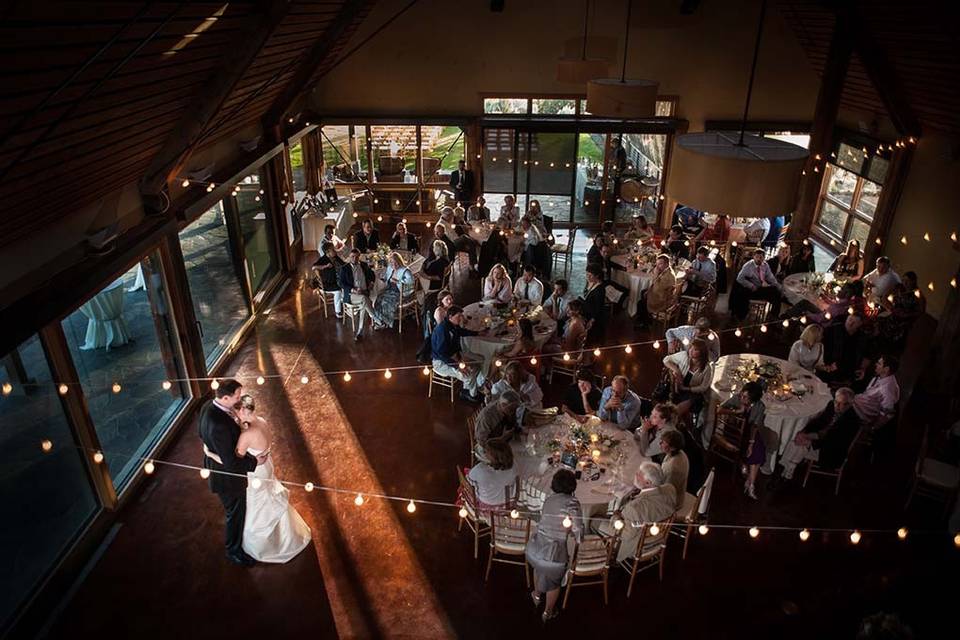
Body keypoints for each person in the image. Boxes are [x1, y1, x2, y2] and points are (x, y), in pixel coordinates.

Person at [235, 394, 311, 563]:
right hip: (267, 465)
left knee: (258, 503)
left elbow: (237, 458)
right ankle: (285, 535)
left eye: (237, 411)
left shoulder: (247, 435)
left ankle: (265, 545)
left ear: (243, 411)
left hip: (256, 472)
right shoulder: (262, 421)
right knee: (269, 496)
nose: (236, 415)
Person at [198, 379, 261, 566]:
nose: (239, 398)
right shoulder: (219, 426)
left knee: (234, 510)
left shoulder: (208, 405)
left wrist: (210, 450)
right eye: (237, 396)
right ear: (225, 397)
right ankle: (233, 551)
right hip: (227, 479)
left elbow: (201, 434)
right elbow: (232, 464)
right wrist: (255, 461)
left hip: (217, 464)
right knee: (235, 513)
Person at [526, 469, 583, 623]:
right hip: (554, 556)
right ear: (573, 486)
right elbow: (578, 530)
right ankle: (548, 612)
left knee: (538, 569)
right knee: (554, 584)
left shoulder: (549, 499)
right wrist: (577, 538)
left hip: (535, 549)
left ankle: (536, 596)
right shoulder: (573, 502)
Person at [596, 462, 676, 563]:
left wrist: (616, 517)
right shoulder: (670, 489)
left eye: (639, 474)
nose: (636, 474)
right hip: (658, 537)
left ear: (648, 483)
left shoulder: (634, 508)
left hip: (635, 545)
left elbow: (625, 535)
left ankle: (602, 557)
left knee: (594, 521)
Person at [778, 387, 859, 480]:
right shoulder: (831, 406)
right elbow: (819, 422)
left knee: (799, 445)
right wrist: (805, 432)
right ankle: (787, 469)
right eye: (836, 402)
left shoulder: (852, 421)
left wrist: (810, 442)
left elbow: (835, 442)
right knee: (797, 440)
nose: (837, 406)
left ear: (850, 404)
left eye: (842, 404)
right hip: (821, 439)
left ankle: (786, 471)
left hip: (830, 451)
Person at [717, 382, 766, 500]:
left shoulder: (760, 406)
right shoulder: (737, 399)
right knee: (756, 451)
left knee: (757, 449)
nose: (742, 398)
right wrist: (736, 412)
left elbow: (754, 425)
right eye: (742, 395)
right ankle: (749, 481)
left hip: (748, 433)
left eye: (746, 397)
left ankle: (750, 483)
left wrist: (751, 443)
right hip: (734, 431)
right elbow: (719, 410)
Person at [431, 305, 487, 403]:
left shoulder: (453, 325)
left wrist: (477, 333)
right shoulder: (442, 330)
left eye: (461, 316)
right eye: (458, 316)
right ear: (450, 317)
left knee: (479, 360)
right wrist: (458, 366)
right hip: (441, 362)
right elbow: (441, 354)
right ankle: (472, 395)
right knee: (468, 375)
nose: (461, 318)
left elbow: (461, 331)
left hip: (455, 356)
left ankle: (468, 389)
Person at [662, 340, 713, 420]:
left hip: (693, 393)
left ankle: (671, 418)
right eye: (690, 348)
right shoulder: (684, 356)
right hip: (677, 390)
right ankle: (672, 418)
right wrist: (677, 370)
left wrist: (687, 389)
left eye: (695, 349)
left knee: (692, 400)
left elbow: (703, 387)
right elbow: (666, 360)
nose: (691, 351)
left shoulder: (707, 368)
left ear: (702, 353)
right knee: (677, 401)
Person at [879, 271, 925, 348]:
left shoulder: (917, 293)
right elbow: (884, 297)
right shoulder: (898, 287)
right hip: (893, 316)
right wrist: (891, 308)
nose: (905, 283)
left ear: (913, 281)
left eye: (908, 281)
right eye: (903, 280)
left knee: (895, 344)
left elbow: (921, 311)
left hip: (904, 322)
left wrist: (908, 315)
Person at [467, 439, 518, 509]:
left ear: (494, 457)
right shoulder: (514, 466)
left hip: (487, 505)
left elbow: (469, 480)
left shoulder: (480, 469)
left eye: (486, 452)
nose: (484, 454)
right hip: (506, 504)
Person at [542, 299, 587, 377]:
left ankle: (549, 370)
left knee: (543, 348)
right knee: (549, 340)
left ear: (577, 311)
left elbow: (568, 346)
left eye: (569, 310)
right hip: (571, 347)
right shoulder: (578, 319)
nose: (567, 311)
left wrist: (556, 342)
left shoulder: (575, 325)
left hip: (569, 353)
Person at [853, 354, 900, 429]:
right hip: (859, 403)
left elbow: (888, 414)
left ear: (886, 369)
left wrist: (873, 427)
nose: (876, 364)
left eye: (879, 363)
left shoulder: (887, 389)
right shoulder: (881, 376)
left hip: (863, 414)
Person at [339, 249, 376, 341]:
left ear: (359, 257)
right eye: (352, 257)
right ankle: (376, 318)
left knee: (364, 303)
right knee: (364, 299)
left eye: (356, 257)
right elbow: (341, 283)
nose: (354, 259)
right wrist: (353, 289)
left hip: (364, 292)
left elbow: (372, 274)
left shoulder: (364, 265)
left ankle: (360, 331)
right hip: (352, 294)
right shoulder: (344, 268)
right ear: (349, 257)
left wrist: (371, 282)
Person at [372, 251, 415, 330]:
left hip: (400, 293)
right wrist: (381, 278)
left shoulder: (405, 271)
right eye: (391, 263)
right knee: (378, 298)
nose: (393, 265)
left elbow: (411, 283)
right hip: (390, 290)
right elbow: (386, 278)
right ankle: (380, 321)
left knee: (386, 302)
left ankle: (386, 322)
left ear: (399, 261)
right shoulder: (390, 268)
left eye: (395, 262)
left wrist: (398, 282)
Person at [736, 248, 783, 319]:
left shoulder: (765, 265)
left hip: (761, 288)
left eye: (761, 257)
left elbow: (771, 278)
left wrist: (778, 287)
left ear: (764, 258)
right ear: (753, 257)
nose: (758, 259)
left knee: (776, 292)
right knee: (774, 292)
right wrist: (751, 286)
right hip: (752, 290)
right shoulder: (748, 266)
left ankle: (773, 317)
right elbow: (739, 278)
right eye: (757, 257)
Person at [635, 254, 677, 329]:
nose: (658, 266)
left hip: (663, 299)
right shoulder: (666, 271)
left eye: (660, 264)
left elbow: (658, 289)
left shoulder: (669, 275)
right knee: (643, 293)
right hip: (662, 294)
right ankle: (646, 318)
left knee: (640, 303)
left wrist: (656, 275)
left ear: (667, 264)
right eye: (657, 264)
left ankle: (645, 323)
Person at [589, 242, 629, 307]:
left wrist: (622, 268)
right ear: (600, 251)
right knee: (620, 292)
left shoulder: (607, 259)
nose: (606, 254)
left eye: (608, 252)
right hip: (601, 283)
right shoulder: (596, 261)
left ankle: (617, 306)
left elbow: (612, 264)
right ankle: (616, 307)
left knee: (626, 291)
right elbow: (593, 274)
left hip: (607, 281)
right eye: (604, 252)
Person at [312, 241, 345, 318]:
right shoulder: (323, 259)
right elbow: (313, 267)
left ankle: (343, 303)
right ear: (327, 252)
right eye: (333, 249)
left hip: (335, 280)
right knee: (338, 291)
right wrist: (325, 266)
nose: (335, 251)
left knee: (346, 284)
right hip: (327, 284)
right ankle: (338, 311)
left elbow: (343, 264)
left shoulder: (335, 257)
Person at [659, 429, 689, 510]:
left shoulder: (673, 468)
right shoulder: (679, 453)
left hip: (671, 503)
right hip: (669, 491)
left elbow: (667, 492)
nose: (660, 443)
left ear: (672, 448)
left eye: (664, 442)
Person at [582, 263, 607, 341]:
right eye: (587, 274)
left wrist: (592, 320)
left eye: (590, 275)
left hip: (593, 317)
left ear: (597, 276)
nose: (588, 277)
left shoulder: (600, 290)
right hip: (586, 311)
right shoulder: (590, 282)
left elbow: (599, 308)